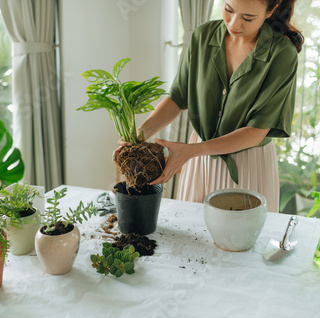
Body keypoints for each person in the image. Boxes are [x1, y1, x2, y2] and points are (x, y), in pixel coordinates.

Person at [116, 0, 304, 213]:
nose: (234, 23)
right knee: (191, 233)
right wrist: (141, 132)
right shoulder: (203, 36)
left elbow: (256, 131)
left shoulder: (281, 54)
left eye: (248, 18)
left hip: (247, 161)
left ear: (270, 11)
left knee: (239, 241)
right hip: (198, 160)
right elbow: (178, 97)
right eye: (229, 9)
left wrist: (192, 151)